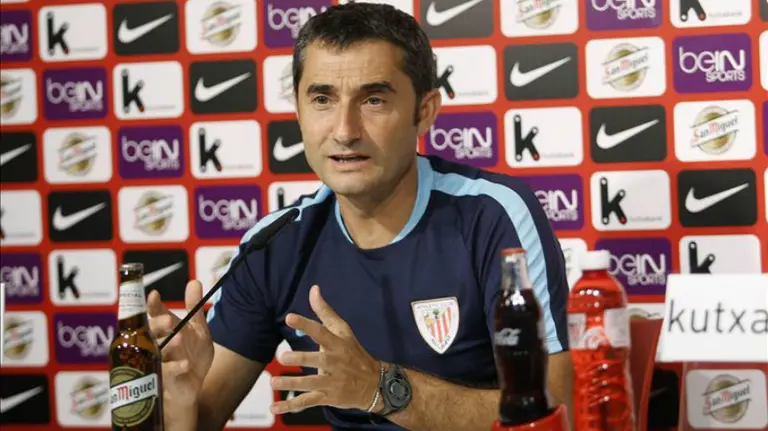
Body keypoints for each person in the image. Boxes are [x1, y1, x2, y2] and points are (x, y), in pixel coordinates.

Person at [148, 3, 573, 430]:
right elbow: (200, 420)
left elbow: (558, 413)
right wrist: (180, 397)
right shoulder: (276, 243)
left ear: (424, 111)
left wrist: (381, 388)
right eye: (321, 99)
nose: (345, 130)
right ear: (296, 110)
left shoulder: (492, 215)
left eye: (373, 99)